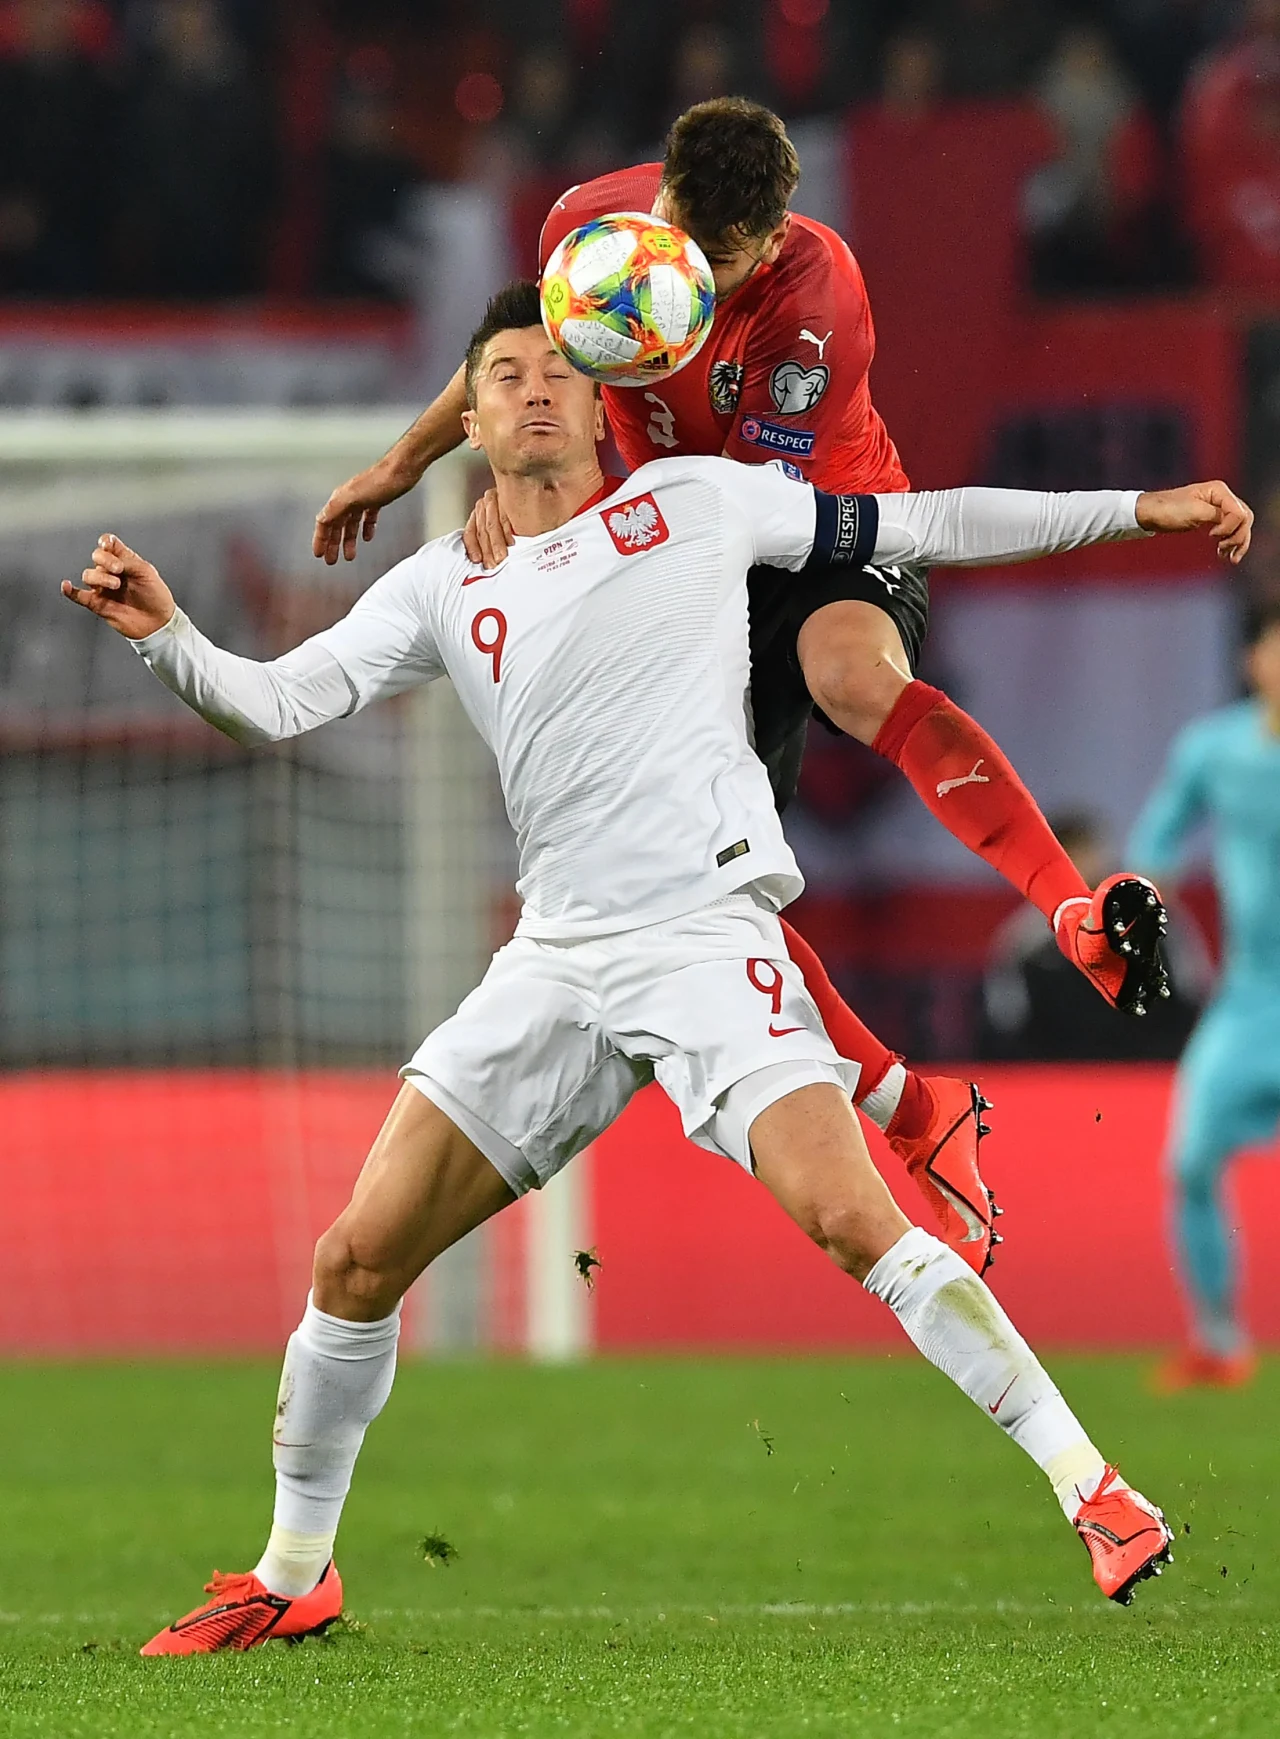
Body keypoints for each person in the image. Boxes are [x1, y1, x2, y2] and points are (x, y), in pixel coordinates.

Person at [63, 287, 1242, 1647]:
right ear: (475, 417)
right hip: (555, 960)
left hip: (706, 935)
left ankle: (1095, 1485)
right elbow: (275, 702)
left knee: (857, 1222)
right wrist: (166, 635)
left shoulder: (696, 500)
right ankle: (294, 1566)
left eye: (560, 365)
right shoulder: (446, 584)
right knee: (352, 1257)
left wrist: (1133, 505)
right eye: (503, 373)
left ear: (600, 389)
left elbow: (925, 523)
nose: (535, 387)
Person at [310, 97, 1178, 1277]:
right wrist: (424, 461)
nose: (690, 273)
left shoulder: (814, 305)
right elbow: (524, 355)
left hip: (814, 534)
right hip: (668, 542)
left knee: (850, 674)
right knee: (702, 884)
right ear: (657, 195)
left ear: (769, 242)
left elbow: (726, 514)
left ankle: (1067, 910)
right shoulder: (594, 231)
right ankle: (918, 1112)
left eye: (720, 261)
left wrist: (562, 505)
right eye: (678, 233)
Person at [1129, 601, 1280, 1392]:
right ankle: (1219, 1340)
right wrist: (1141, 894)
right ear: (1254, 661)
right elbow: (1155, 843)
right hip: (1252, 1001)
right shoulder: (1214, 751)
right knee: (1189, 1162)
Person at [980, 810, 1204, 1061]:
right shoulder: (1025, 941)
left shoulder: (1153, 918)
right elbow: (1008, 1023)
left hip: (1148, 1073)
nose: (1085, 865)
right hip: (1061, 1080)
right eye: (1072, 856)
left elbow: (1190, 1000)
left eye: (1089, 853)